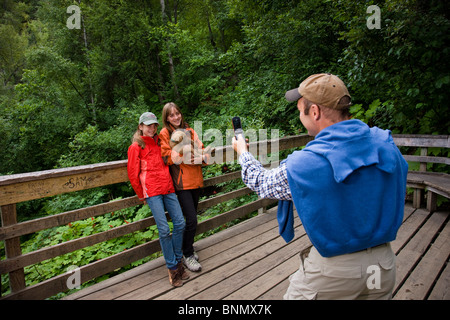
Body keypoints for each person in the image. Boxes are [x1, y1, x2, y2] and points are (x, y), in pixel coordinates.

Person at [232, 73, 408, 300]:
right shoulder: (385, 143)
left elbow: (261, 183)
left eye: (299, 109)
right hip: (382, 267)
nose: (298, 114)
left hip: (336, 273)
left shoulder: (307, 163)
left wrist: (243, 153)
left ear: (314, 112)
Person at [127, 111, 189, 287]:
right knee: (163, 229)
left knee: (180, 223)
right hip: (152, 191)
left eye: (154, 125)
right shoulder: (136, 147)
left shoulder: (160, 142)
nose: (152, 128)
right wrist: (141, 194)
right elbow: (133, 173)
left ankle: (178, 261)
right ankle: (172, 269)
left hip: (168, 187)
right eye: (148, 125)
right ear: (140, 127)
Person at [159, 102, 208, 272]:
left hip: (196, 180)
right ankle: (187, 254)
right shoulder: (165, 133)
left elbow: (203, 152)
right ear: (166, 118)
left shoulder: (189, 130)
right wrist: (185, 152)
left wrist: (201, 157)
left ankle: (187, 249)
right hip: (181, 183)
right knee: (191, 220)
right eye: (171, 115)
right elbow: (166, 157)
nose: (176, 117)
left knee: (192, 219)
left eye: (177, 113)